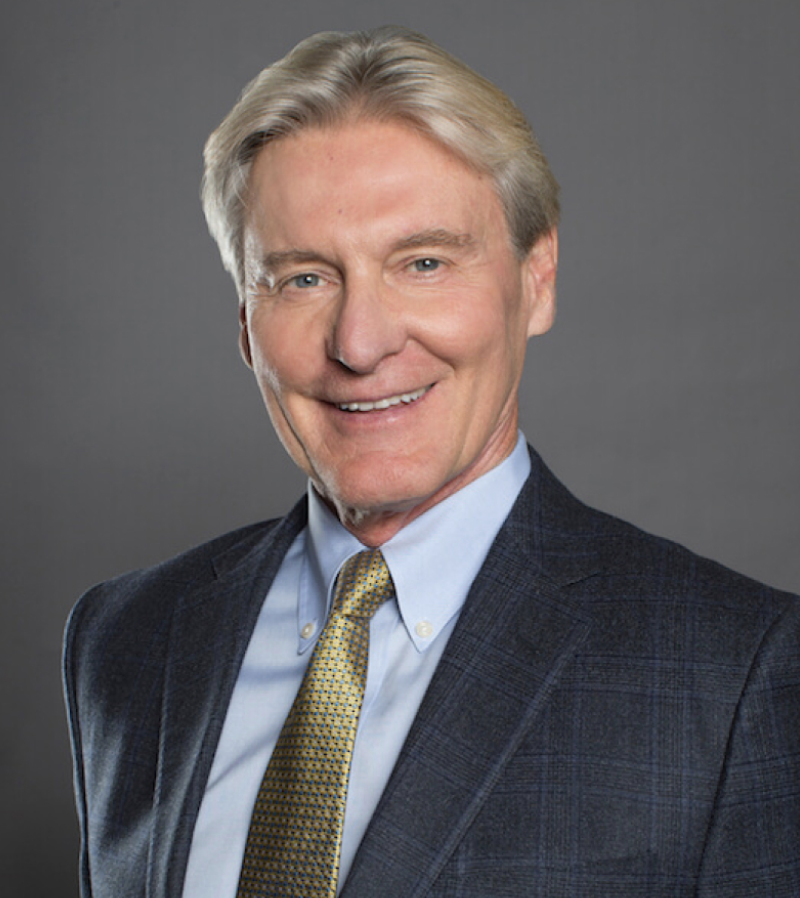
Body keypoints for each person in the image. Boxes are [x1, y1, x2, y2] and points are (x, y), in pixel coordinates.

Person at [63, 26, 800, 898]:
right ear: (245, 324)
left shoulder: (734, 672)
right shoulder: (127, 640)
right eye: (303, 278)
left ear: (536, 279)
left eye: (423, 263)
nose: (361, 343)